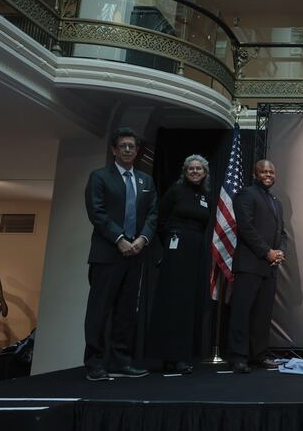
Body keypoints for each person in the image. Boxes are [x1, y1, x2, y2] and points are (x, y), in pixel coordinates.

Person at [83, 127, 157, 381]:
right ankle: (95, 363)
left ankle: (121, 361)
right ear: (114, 150)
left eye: (132, 146)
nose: (128, 150)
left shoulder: (145, 181)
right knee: (100, 310)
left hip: (135, 254)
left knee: (126, 312)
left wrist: (141, 239)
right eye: (123, 146)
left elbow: (153, 214)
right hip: (107, 254)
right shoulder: (100, 177)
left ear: (137, 151)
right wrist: (120, 239)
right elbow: (97, 212)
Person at [147, 155, 211, 375]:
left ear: (205, 173)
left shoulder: (205, 195)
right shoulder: (175, 192)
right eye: (191, 168)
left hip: (196, 252)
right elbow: (160, 218)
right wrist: (169, 241)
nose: (195, 172)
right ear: (184, 171)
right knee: (173, 302)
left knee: (189, 303)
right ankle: (170, 355)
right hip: (176, 250)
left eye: (199, 169)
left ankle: (182, 355)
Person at [227, 160, 287, 373]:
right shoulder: (246, 194)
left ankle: (258, 355)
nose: (267, 174)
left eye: (271, 171)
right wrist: (267, 252)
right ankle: (238, 358)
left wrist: (279, 251)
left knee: (262, 315)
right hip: (249, 264)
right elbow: (246, 228)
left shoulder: (275, 201)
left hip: (269, 266)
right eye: (263, 171)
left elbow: (281, 232)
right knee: (242, 313)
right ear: (255, 173)